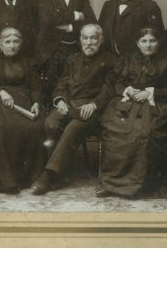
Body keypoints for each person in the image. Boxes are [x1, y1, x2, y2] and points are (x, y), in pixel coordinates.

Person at [31, 24, 116, 195]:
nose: (89, 42)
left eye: (93, 38)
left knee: (74, 127)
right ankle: (61, 174)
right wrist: (60, 100)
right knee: (50, 123)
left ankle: (49, 175)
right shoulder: (73, 59)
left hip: (93, 109)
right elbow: (62, 84)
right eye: (85, 38)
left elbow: (109, 90)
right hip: (70, 105)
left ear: (101, 40)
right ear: (80, 40)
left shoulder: (111, 60)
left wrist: (94, 105)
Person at [98, 27, 167, 199]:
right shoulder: (128, 60)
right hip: (129, 105)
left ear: (158, 42)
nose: (148, 45)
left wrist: (151, 92)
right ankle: (112, 184)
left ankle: (140, 185)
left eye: (152, 41)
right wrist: (129, 91)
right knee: (116, 132)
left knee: (143, 134)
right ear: (137, 43)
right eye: (144, 41)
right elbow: (118, 84)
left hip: (157, 106)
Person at [0, 27, 46, 193]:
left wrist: (36, 102)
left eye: (15, 41)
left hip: (23, 102)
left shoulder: (29, 62)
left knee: (35, 126)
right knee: (0, 126)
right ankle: (5, 180)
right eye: (7, 42)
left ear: (20, 44)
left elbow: (36, 86)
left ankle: (26, 177)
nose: (12, 45)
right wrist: (0, 91)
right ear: (0, 44)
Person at [36, 0, 96, 98]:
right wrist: (76, 15)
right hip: (50, 51)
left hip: (75, 49)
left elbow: (91, 21)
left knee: (72, 87)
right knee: (49, 89)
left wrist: (69, 27)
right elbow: (47, 19)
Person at [98, 0, 164, 56]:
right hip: (110, 62)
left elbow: (158, 39)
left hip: (137, 64)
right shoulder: (108, 5)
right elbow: (100, 35)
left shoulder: (149, 6)